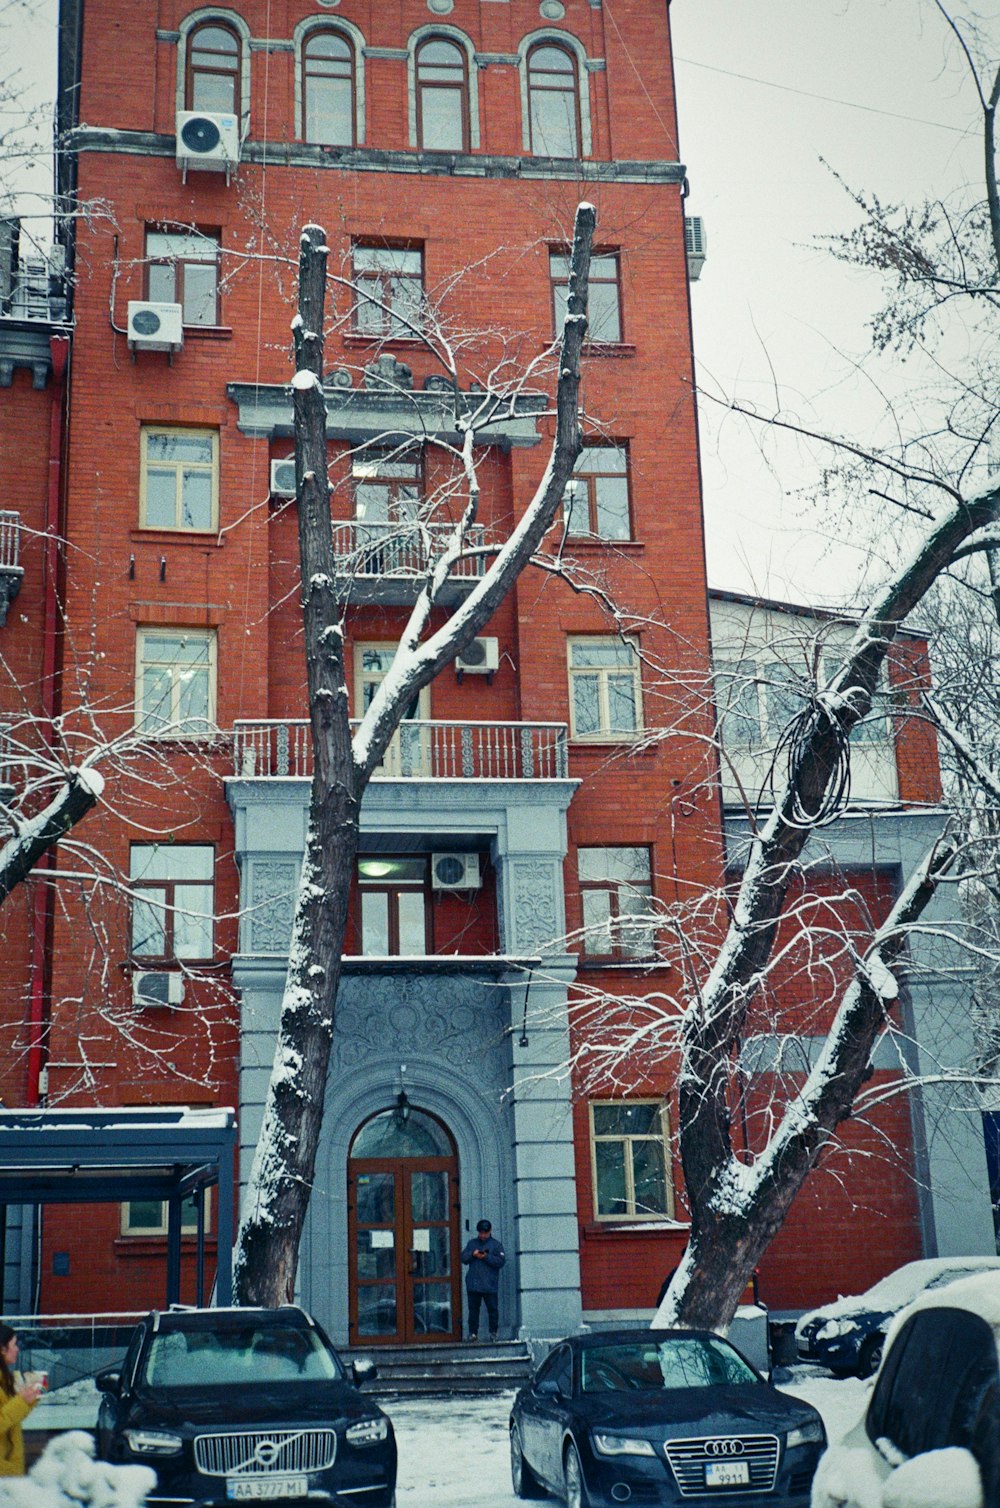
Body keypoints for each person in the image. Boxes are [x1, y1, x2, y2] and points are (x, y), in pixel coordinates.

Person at [0, 1323, 43, 1477]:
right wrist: (21, 1401)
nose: (17, 1349)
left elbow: (11, 1418)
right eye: (14, 1344)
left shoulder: (5, 1379)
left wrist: (31, 1397)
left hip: (9, 1470)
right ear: (2, 1349)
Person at [461, 1219, 505, 1342]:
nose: (483, 1235)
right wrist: (472, 1254)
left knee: (493, 1310)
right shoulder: (472, 1243)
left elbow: (500, 1262)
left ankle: (493, 1332)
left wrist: (486, 1257)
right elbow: (463, 1258)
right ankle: (473, 1333)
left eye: (485, 1233)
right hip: (473, 1284)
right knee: (473, 1311)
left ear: (490, 1231)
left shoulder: (496, 1245)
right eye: (481, 1233)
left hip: (489, 1284)